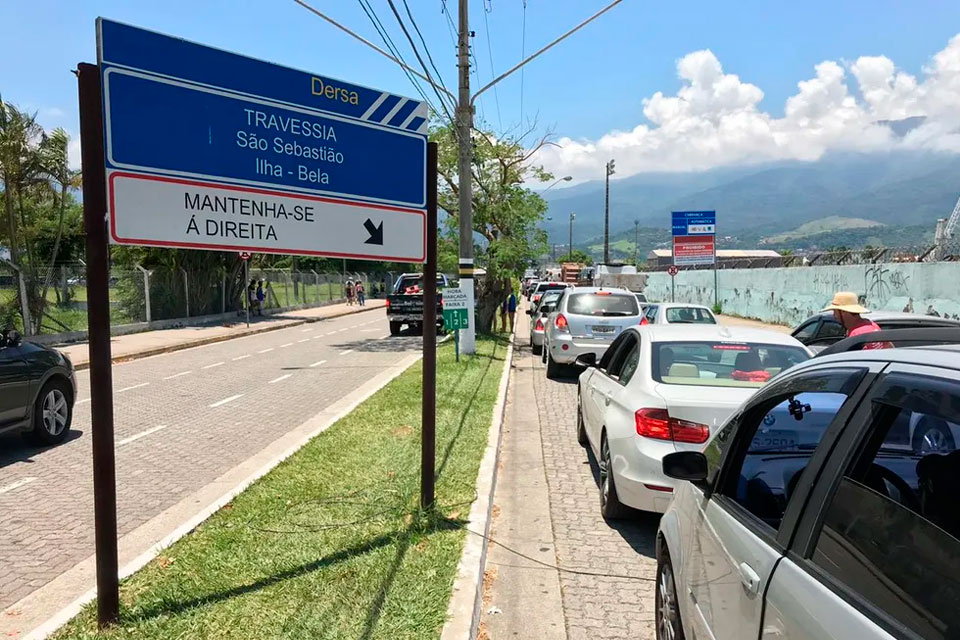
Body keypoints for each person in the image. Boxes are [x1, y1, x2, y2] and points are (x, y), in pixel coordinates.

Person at [822, 291, 892, 349]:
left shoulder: (856, 335)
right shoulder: (872, 325)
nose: (834, 316)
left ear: (844, 312)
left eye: (835, 311)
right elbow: (889, 346)